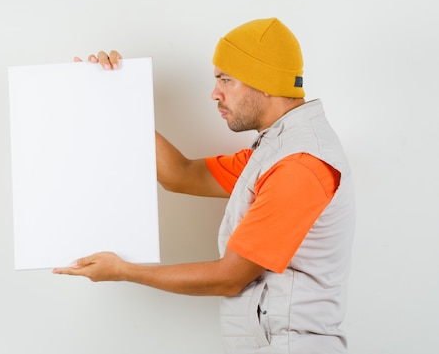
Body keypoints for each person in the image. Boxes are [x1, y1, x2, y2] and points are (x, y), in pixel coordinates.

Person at [53, 18, 356, 354]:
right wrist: (114, 98)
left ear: (266, 82)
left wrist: (124, 270)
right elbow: (180, 174)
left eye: (226, 79)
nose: (215, 93)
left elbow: (230, 276)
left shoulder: (299, 164)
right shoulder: (276, 151)